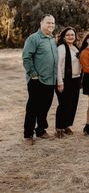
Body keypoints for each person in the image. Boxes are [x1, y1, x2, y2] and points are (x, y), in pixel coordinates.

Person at [22, 14, 58, 145]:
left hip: (50, 80)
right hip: (37, 80)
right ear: (41, 23)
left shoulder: (52, 39)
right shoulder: (33, 38)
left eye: (53, 23)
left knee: (45, 107)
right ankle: (28, 134)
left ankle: (41, 130)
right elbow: (27, 57)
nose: (51, 25)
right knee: (32, 108)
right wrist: (33, 74)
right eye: (48, 23)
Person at [55, 27, 81, 138]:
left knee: (72, 104)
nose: (71, 37)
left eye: (72, 35)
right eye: (68, 35)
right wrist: (60, 82)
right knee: (64, 104)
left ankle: (66, 125)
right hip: (65, 80)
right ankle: (59, 127)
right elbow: (57, 66)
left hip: (76, 79)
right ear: (64, 37)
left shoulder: (76, 48)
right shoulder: (61, 48)